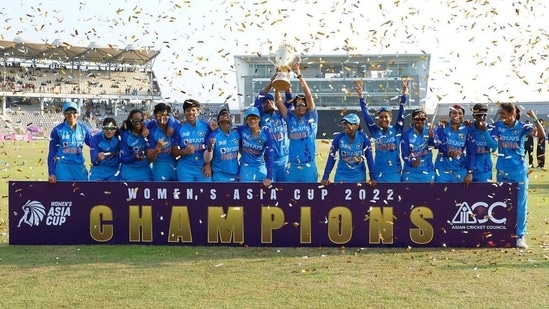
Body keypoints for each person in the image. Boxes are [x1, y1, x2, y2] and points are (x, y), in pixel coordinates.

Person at [490, 102, 545, 249]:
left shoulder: (522, 126)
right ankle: (504, 235)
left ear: (511, 114)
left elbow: (541, 135)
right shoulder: (497, 126)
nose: (500, 116)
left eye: (503, 113)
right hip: (502, 170)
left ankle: (520, 237)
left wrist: (534, 118)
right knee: (502, 204)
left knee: (520, 205)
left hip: (519, 170)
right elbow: (492, 142)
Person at [275, 63, 318, 182]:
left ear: (307, 106)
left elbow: (308, 95)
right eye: (297, 105)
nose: (300, 107)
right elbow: (278, 102)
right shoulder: (290, 119)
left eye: (303, 105)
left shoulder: (312, 117)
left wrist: (299, 75)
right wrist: (279, 79)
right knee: (289, 199)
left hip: (308, 166)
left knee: (309, 200)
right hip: (292, 166)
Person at [357, 79, 406, 182]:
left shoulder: (397, 130)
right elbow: (366, 116)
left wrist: (404, 95)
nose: (383, 119)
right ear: (378, 119)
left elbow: (401, 114)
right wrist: (361, 98)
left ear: (390, 118)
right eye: (381, 117)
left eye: (386, 117)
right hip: (378, 173)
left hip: (394, 173)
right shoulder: (375, 131)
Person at [253, 73, 293, 182]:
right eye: (265, 102)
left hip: (284, 160)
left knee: (286, 191)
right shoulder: (259, 117)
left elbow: (289, 101)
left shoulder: (281, 115)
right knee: (271, 191)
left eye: (270, 101)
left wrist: (284, 82)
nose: (268, 103)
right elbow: (259, 98)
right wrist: (272, 83)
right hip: (268, 161)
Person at [320, 113, 376, 186]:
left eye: (349, 123)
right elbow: (331, 158)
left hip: (359, 175)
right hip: (342, 175)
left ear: (357, 125)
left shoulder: (363, 138)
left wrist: (373, 177)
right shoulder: (338, 138)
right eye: (344, 123)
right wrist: (325, 177)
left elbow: (369, 158)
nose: (346, 126)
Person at [47, 101, 92, 183]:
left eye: (73, 112)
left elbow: (94, 145)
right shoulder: (57, 130)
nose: (71, 115)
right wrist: (51, 173)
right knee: (64, 194)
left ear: (77, 113)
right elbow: (52, 153)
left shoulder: (84, 129)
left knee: (83, 193)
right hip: (63, 167)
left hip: (79, 166)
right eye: (68, 112)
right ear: (64, 114)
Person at [434, 104, 476, 186]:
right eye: (454, 113)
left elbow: (472, 153)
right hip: (442, 169)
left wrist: (470, 172)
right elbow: (440, 146)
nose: (457, 115)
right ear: (450, 115)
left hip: (459, 168)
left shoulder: (467, 130)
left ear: (463, 116)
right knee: (441, 196)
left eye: (460, 113)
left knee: (460, 197)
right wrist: (449, 153)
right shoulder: (442, 128)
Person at [171, 99, 213, 182]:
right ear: (184, 112)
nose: (190, 113)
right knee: (186, 194)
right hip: (185, 168)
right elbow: (174, 152)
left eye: (193, 110)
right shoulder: (179, 128)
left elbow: (212, 148)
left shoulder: (206, 126)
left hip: (203, 167)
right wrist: (185, 151)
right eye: (188, 110)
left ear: (198, 112)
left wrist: (208, 164)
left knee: (205, 193)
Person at [236, 106, 274, 186]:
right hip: (246, 167)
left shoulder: (266, 134)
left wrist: (269, 177)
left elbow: (270, 155)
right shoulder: (242, 130)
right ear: (246, 120)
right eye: (249, 118)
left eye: (255, 118)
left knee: (267, 191)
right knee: (245, 193)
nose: (252, 120)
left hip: (260, 166)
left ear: (259, 118)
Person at [203, 109, 241, 182]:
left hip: (235, 174)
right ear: (218, 121)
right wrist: (207, 163)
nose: (224, 115)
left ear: (231, 119)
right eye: (222, 115)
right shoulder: (213, 135)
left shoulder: (236, 134)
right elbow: (207, 158)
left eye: (227, 114)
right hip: (220, 175)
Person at [400, 109, 436, 183]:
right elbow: (404, 154)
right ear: (413, 120)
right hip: (410, 171)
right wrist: (411, 162)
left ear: (425, 120)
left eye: (422, 118)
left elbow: (436, 146)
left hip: (427, 171)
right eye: (417, 118)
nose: (420, 121)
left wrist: (432, 138)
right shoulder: (406, 134)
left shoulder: (430, 131)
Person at [146, 103, 177, 181]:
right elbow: (150, 159)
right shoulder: (152, 132)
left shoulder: (176, 126)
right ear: (155, 116)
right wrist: (157, 148)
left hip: (176, 165)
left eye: (165, 114)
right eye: (160, 114)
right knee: (160, 192)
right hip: (160, 166)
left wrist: (170, 126)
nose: (163, 117)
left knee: (180, 191)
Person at [119, 109, 153, 181]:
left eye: (140, 120)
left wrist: (145, 127)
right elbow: (124, 158)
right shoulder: (126, 135)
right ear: (130, 121)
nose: (138, 123)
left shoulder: (147, 131)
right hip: (129, 171)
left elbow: (156, 121)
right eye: (134, 120)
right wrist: (134, 157)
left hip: (145, 170)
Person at [468, 103, 498, 182]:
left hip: (485, 171)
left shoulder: (491, 129)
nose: (481, 118)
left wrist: (485, 131)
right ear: (474, 116)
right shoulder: (469, 128)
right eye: (479, 115)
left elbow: (493, 148)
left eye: (484, 115)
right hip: (468, 169)